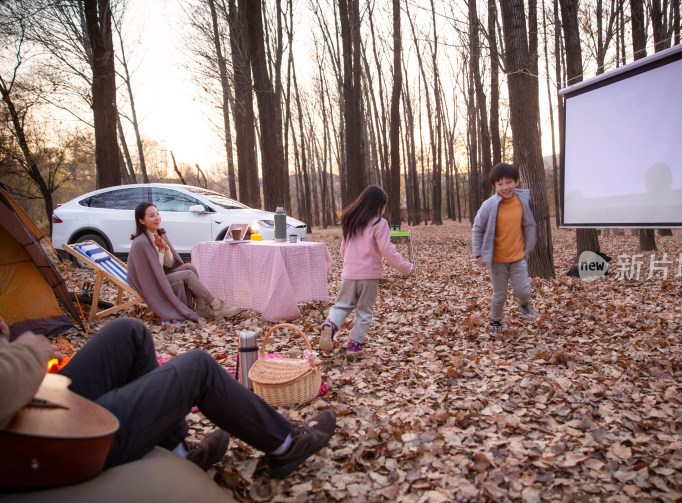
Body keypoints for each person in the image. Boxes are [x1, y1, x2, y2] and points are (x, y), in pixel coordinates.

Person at [0, 315, 336, 477]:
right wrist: (25, 355)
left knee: (128, 331)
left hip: (31, 402)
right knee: (198, 367)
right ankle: (284, 445)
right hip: (29, 439)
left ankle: (175, 449)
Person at [319, 185, 412, 354]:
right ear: (378, 205)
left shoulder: (351, 221)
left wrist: (351, 265)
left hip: (349, 273)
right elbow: (387, 250)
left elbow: (343, 249)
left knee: (341, 305)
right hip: (369, 275)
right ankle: (354, 344)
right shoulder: (379, 223)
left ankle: (331, 324)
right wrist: (405, 267)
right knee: (364, 310)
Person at [127, 202, 240, 323]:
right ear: (142, 221)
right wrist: (160, 250)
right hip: (154, 282)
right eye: (151, 215)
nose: (157, 218)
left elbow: (169, 264)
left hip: (162, 275)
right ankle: (216, 305)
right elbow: (155, 272)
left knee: (189, 267)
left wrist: (165, 249)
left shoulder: (158, 234)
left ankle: (201, 307)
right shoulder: (141, 242)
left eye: (158, 214)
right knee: (188, 275)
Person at [472, 163, 537, 332]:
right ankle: (495, 321)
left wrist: (529, 245)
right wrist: (478, 253)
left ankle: (524, 305)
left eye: (508, 182)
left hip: (518, 257)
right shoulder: (489, 205)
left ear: (516, 182)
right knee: (499, 295)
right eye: (499, 184)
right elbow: (477, 228)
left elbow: (529, 225)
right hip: (497, 260)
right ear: (494, 186)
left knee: (523, 290)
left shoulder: (523, 201)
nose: (505, 187)